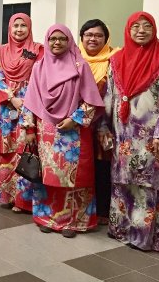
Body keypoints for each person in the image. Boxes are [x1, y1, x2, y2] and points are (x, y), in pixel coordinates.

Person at [101, 12, 159, 252]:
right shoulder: (117, 60)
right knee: (123, 182)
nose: (141, 31)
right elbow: (110, 95)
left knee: (148, 184)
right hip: (123, 134)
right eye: (136, 26)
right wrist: (104, 126)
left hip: (151, 136)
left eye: (147, 26)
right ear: (128, 30)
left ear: (154, 30)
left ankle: (146, 237)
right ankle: (122, 230)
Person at [23, 24, 103, 238]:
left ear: (69, 41)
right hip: (46, 132)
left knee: (73, 177)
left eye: (62, 39)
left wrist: (74, 120)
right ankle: (48, 218)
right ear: (47, 41)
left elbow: (91, 101)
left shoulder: (80, 67)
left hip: (73, 132)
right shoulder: (39, 67)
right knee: (48, 176)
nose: (57, 43)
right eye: (52, 39)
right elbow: (30, 101)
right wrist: (29, 128)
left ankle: (72, 221)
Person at [0, 13, 42, 213]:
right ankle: (8, 196)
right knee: (7, 151)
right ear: (10, 28)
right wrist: (11, 98)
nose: (19, 29)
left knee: (26, 149)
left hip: (30, 105)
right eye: (16, 25)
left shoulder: (38, 50)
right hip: (7, 108)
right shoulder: (2, 50)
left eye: (23, 25)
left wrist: (25, 100)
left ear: (29, 28)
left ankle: (24, 201)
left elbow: (40, 78)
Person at [79, 19, 119, 226]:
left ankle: (102, 209)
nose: (93, 39)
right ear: (82, 37)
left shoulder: (115, 60)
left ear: (106, 38)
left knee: (103, 166)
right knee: (81, 166)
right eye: (88, 35)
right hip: (77, 122)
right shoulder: (74, 58)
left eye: (98, 35)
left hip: (105, 123)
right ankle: (82, 208)